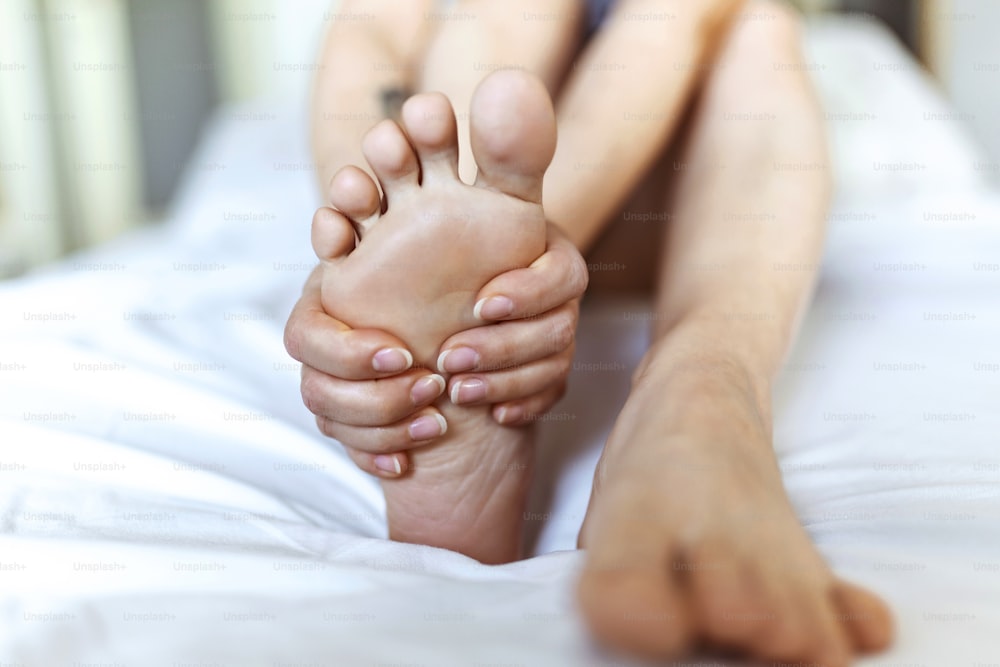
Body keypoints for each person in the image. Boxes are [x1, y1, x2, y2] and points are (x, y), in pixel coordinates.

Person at [283, 0, 895, 662]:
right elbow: (362, 35)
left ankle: (686, 386)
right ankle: (444, 241)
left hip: (669, 208)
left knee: (757, 29)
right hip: (518, 183)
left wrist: (527, 239)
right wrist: (359, 228)